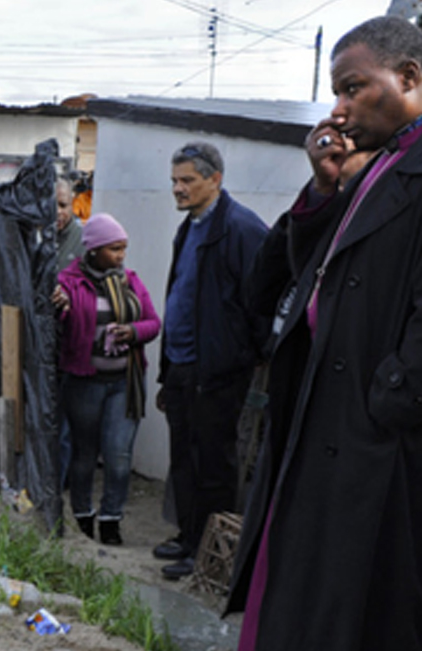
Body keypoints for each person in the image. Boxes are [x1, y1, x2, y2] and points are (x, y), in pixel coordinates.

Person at [228, 16, 422, 650]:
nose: (338, 108)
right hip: (327, 428)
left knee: (370, 616)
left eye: (353, 87)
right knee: (305, 607)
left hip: (381, 449)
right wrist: (324, 189)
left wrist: (381, 406)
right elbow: (294, 279)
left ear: (409, 77)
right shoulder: (382, 167)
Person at [153, 141, 267, 580]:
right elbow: (180, 295)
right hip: (183, 367)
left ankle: (207, 551)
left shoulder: (240, 228)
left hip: (216, 371)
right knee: (183, 457)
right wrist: (167, 372)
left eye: (187, 181)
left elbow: (261, 298)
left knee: (213, 462)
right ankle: (187, 536)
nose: (178, 189)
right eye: (175, 181)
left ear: (214, 180)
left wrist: (244, 356)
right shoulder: (190, 227)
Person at [51, 213, 159, 544]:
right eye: (114, 249)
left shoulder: (130, 281)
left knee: (119, 455)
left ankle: (111, 520)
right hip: (84, 382)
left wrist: (132, 331)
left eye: (124, 248)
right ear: (94, 249)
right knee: (84, 455)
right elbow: (56, 328)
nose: (121, 256)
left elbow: (153, 323)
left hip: (123, 384)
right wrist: (60, 308)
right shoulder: (68, 283)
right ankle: (83, 517)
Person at [54, 177, 85, 269]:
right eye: (51, 205)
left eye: (63, 205)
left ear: (72, 205)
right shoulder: (32, 239)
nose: (58, 211)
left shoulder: (85, 241)